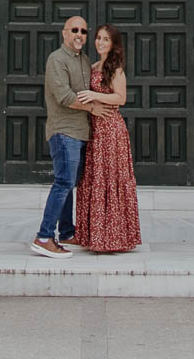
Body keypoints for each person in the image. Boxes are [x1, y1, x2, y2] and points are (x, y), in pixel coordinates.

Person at [72, 23, 141, 253]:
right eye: (98, 38)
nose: (100, 42)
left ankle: (115, 237)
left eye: (105, 40)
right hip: (93, 131)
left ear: (113, 45)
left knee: (110, 180)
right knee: (94, 179)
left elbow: (121, 98)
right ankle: (95, 236)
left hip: (111, 131)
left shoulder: (116, 69)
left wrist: (94, 95)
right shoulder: (92, 67)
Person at [30, 14, 92, 258]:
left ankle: (66, 232)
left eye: (83, 31)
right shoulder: (56, 59)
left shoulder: (85, 60)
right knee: (63, 182)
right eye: (74, 30)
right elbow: (64, 96)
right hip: (64, 131)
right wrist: (92, 107)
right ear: (64, 34)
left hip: (81, 132)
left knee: (69, 184)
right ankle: (44, 236)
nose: (79, 35)